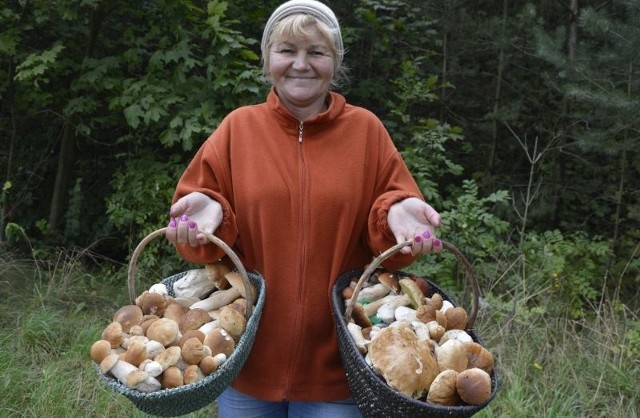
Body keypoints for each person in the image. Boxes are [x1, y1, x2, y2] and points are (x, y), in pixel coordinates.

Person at [165, 1, 442, 416]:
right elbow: (205, 227)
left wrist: (396, 215)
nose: (301, 64)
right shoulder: (238, 129)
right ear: (267, 59)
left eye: (316, 52)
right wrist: (208, 219)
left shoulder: (366, 131)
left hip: (339, 365)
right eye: (287, 50)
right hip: (247, 363)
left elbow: (387, 236)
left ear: (335, 61)